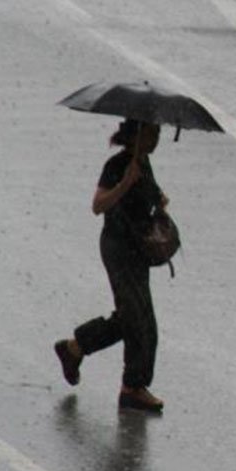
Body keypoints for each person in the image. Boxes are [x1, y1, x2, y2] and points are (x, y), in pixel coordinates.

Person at [54, 118, 169, 412]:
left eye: (159, 132)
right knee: (136, 318)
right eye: (153, 132)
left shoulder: (143, 163)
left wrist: (160, 200)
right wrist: (124, 184)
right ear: (137, 135)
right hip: (118, 249)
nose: (157, 138)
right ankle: (132, 388)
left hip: (138, 250)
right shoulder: (118, 165)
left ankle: (74, 349)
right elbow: (98, 205)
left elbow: (148, 197)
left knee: (136, 317)